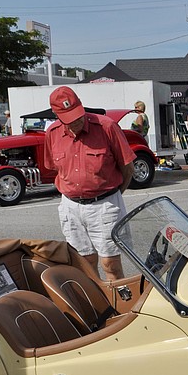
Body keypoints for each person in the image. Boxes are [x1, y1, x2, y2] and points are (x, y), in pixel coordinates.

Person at [44, 86, 136, 281]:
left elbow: (128, 168)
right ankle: (97, 307)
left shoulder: (107, 127)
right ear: (57, 115)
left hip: (105, 204)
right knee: (84, 263)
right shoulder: (52, 133)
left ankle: (118, 304)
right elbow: (56, 169)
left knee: (110, 264)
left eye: (78, 114)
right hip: (71, 206)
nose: (76, 121)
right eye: (69, 118)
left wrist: (112, 197)